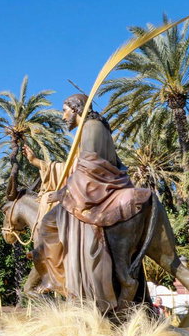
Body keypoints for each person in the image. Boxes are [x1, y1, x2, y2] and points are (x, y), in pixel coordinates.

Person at [32, 94, 151, 310]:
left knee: (48, 225)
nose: (63, 115)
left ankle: (57, 279)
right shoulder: (96, 128)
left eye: (65, 109)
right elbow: (80, 167)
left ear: (76, 109)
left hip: (96, 190)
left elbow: (89, 169)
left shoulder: (90, 127)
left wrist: (61, 194)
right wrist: (37, 163)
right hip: (96, 186)